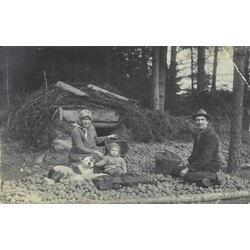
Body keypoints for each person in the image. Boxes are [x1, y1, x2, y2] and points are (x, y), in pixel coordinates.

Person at [173, 109, 226, 187]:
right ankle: (204, 181)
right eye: (198, 120)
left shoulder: (211, 136)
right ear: (195, 122)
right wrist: (188, 160)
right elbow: (195, 152)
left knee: (186, 175)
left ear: (207, 122)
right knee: (176, 170)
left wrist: (188, 168)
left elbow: (205, 157)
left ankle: (214, 177)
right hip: (200, 163)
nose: (200, 122)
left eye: (202, 120)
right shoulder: (197, 134)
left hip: (209, 165)